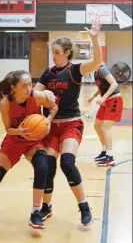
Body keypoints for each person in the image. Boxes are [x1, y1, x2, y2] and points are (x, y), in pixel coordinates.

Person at [34, 19, 103, 226]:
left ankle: (84, 206)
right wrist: (41, 93)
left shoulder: (75, 70)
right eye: (52, 51)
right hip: (50, 125)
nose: (53, 54)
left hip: (71, 124)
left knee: (67, 162)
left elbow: (97, 62)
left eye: (56, 51)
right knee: (47, 166)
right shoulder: (48, 72)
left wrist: (94, 38)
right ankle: (46, 207)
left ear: (66, 52)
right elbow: (35, 93)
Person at [0, 70, 58, 230]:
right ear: (13, 88)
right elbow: (8, 129)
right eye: (24, 85)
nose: (29, 88)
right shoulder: (5, 103)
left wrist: (48, 120)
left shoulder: (36, 96)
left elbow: (54, 106)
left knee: (42, 166)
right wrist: (20, 131)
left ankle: (36, 212)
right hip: (14, 140)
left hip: (33, 141)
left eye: (30, 83)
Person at [87, 64, 123, 167]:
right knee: (97, 126)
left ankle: (110, 157)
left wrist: (103, 98)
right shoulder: (95, 72)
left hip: (114, 100)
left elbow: (114, 84)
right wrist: (92, 97)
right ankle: (104, 152)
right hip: (106, 101)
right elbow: (101, 88)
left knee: (104, 128)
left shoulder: (103, 70)